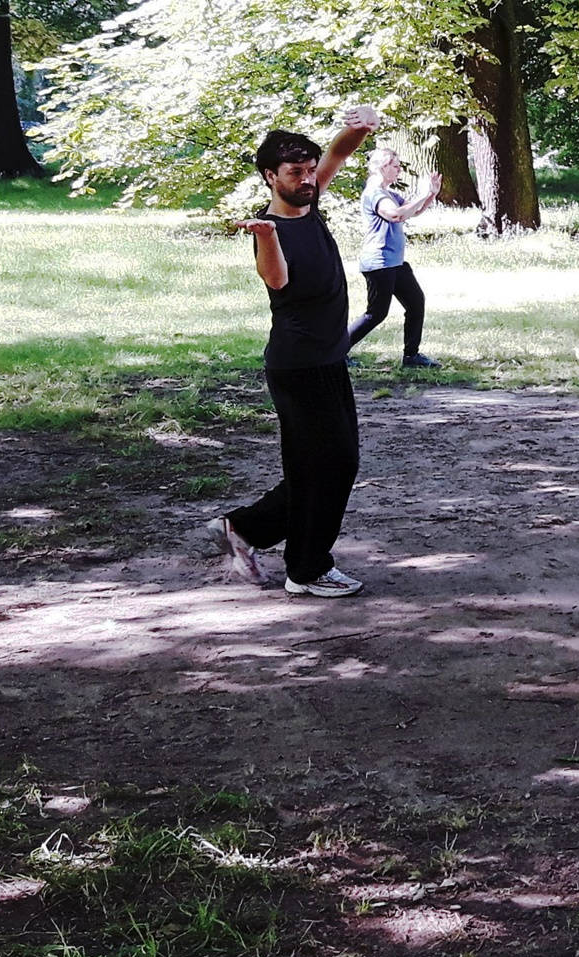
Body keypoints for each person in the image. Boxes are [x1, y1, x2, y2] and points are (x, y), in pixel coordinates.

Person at [206, 109, 384, 598]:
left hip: (329, 359)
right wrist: (265, 238)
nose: (307, 179)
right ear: (270, 177)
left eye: (309, 170)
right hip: (299, 366)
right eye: (295, 173)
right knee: (330, 464)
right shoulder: (270, 228)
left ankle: (247, 529)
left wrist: (361, 127)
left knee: (327, 465)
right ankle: (306, 569)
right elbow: (278, 280)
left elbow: (339, 151)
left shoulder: (311, 203)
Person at [346, 147, 442, 368]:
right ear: (382, 166)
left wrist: (430, 194)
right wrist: (421, 194)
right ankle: (336, 352)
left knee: (416, 303)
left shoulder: (388, 193)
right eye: (395, 166)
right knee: (376, 313)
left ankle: (411, 357)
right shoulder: (375, 193)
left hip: (395, 263)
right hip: (379, 262)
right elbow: (395, 215)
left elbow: (411, 211)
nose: (399, 171)